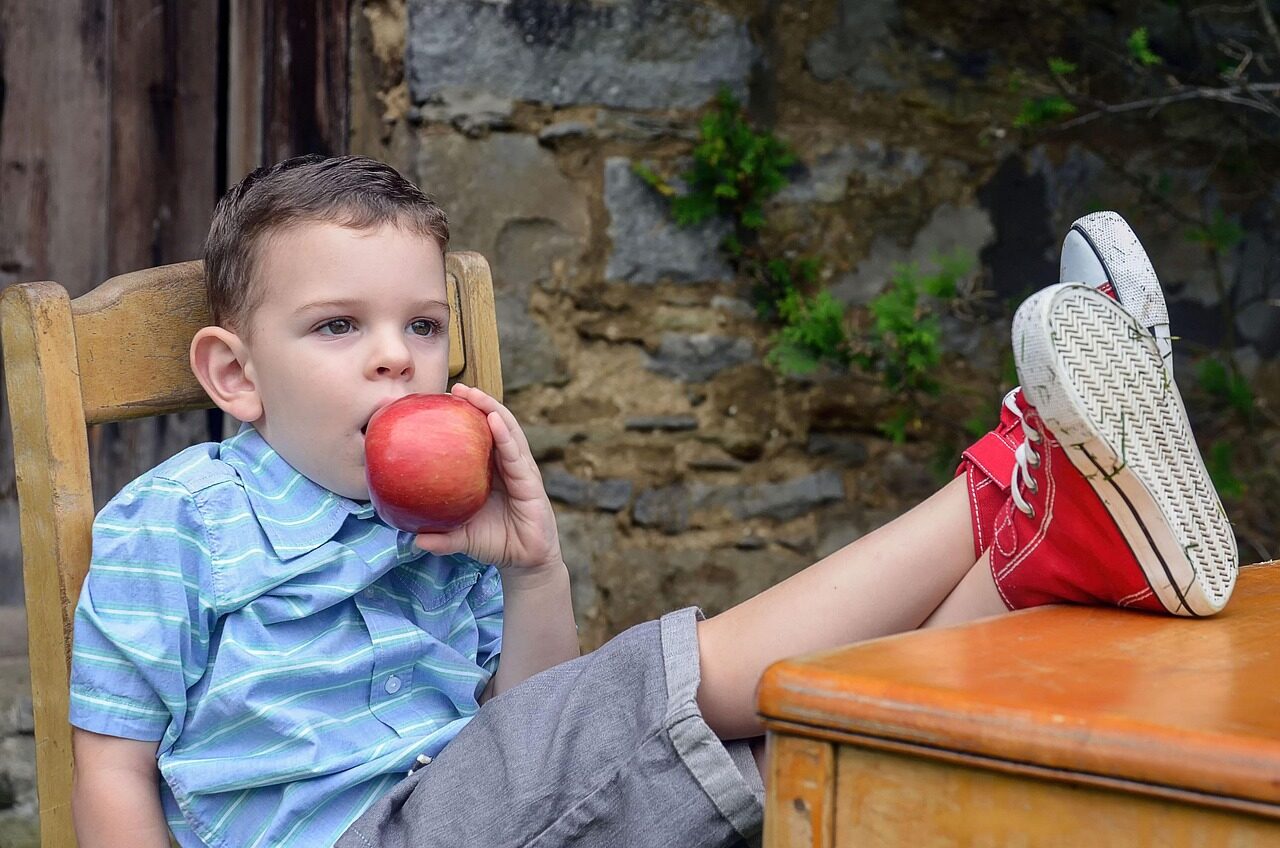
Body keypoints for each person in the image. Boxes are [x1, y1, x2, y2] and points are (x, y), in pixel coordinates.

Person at [67, 155, 1238, 848]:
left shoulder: (441, 517)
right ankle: (1010, 475)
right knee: (674, 685)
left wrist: (531, 565)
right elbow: (112, 770)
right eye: (339, 327)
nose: (398, 360)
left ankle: (1048, 547)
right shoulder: (174, 525)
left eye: (423, 326)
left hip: (475, 810)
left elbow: (536, 726)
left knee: (790, 740)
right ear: (234, 375)